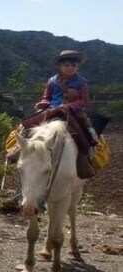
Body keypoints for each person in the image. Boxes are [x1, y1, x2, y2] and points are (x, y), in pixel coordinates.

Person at [24, 50, 97, 178]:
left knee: (82, 130)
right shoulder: (52, 81)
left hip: (72, 112)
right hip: (52, 110)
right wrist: (43, 103)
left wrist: (70, 106)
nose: (70, 68)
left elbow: (84, 100)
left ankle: (85, 153)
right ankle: (22, 150)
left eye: (73, 65)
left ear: (77, 67)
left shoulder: (82, 82)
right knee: (26, 125)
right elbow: (47, 97)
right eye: (67, 65)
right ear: (60, 66)